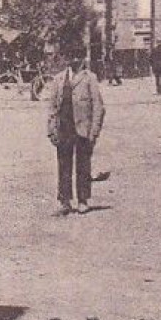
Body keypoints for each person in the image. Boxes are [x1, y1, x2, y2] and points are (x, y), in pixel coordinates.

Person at [47, 44, 105, 215]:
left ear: (82, 60)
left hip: (82, 129)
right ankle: (64, 201)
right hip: (64, 128)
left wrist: (94, 131)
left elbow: (98, 107)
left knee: (83, 165)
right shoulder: (58, 79)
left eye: (77, 58)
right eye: (70, 57)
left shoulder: (90, 78)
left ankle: (83, 200)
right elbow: (52, 107)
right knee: (63, 165)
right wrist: (51, 129)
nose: (73, 61)